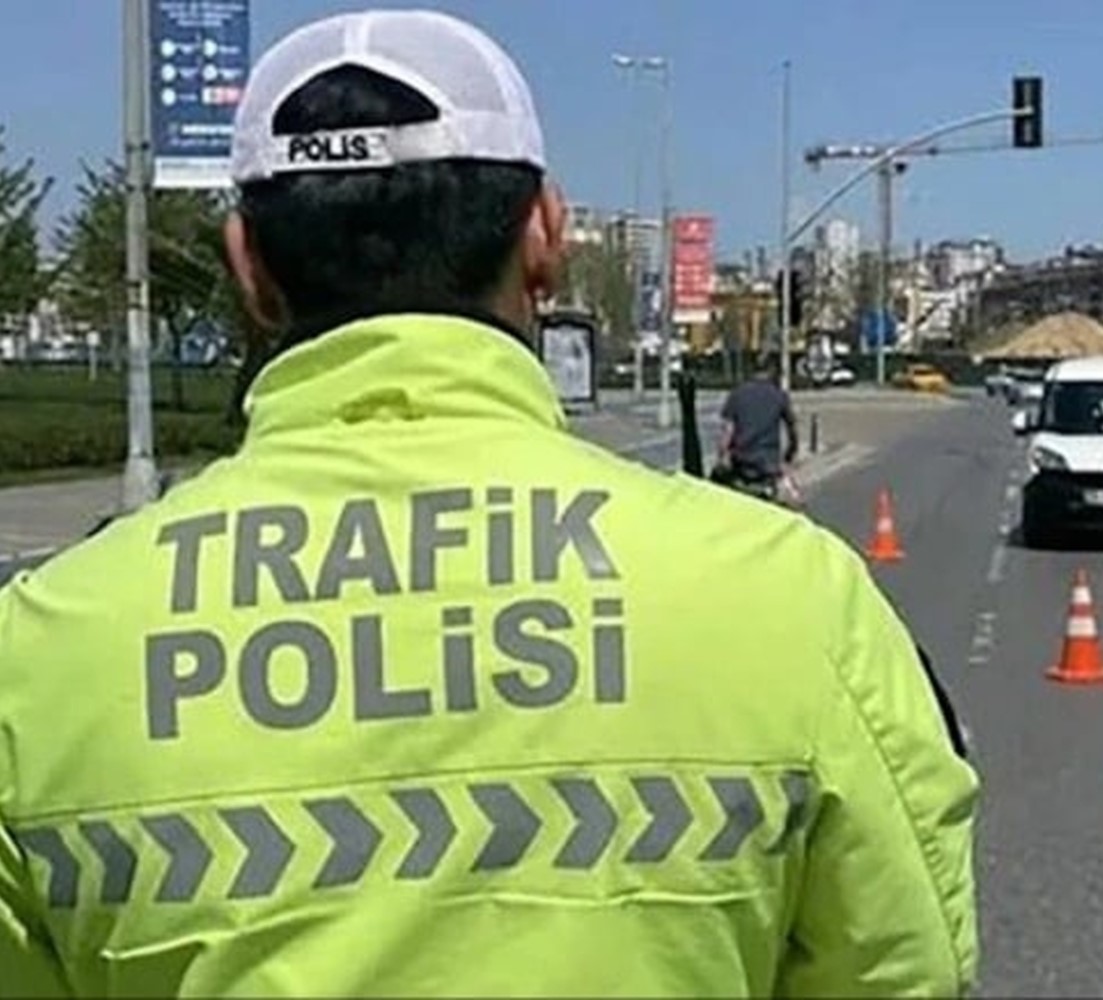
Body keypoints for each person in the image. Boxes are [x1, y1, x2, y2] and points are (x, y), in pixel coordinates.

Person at [0, 11, 978, 997]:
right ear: (545, 234)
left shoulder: (41, 654)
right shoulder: (787, 599)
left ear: (246, 263)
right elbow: (902, 965)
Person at [717, 354, 799, 489]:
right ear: (772, 370)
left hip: (741, 460)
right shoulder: (779, 395)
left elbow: (727, 431)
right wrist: (789, 455)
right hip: (768, 462)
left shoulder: (737, 394)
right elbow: (792, 429)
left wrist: (722, 457)